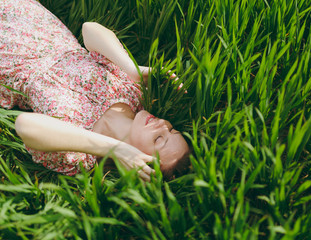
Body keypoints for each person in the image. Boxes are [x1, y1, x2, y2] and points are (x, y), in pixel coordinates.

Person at [0, 0, 190, 181]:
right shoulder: (132, 93)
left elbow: (25, 125)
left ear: (140, 160)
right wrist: (132, 70)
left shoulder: (80, 155)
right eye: (171, 129)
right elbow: (90, 29)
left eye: (158, 139)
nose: (163, 125)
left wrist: (116, 148)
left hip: (9, 62)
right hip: (37, 26)